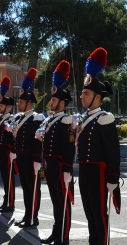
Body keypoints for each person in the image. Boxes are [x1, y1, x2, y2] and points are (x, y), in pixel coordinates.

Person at [76, 47, 120, 245]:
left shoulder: (105, 118)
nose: (81, 97)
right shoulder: (84, 119)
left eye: (85, 93)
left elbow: (113, 151)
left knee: (100, 216)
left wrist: (113, 177)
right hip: (85, 172)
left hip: (98, 174)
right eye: (82, 93)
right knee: (90, 217)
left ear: (98, 97)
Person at [35, 60, 75, 245]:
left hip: (60, 169)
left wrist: (67, 169)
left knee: (63, 204)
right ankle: (55, 232)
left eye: (53, 100)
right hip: (50, 168)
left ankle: (63, 236)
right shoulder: (51, 120)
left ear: (62, 102)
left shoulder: (66, 120)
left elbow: (69, 147)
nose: (51, 102)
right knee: (55, 203)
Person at [6, 68, 45, 227]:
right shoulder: (18, 118)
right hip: (21, 159)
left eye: (21, 102)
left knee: (33, 189)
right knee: (25, 188)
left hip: (31, 160)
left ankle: (33, 217)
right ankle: (27, 214)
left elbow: (38, 141)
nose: (18, 104)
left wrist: (37, 159)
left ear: (29, 103)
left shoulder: (37, 118)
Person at [0, 76, 16, 213]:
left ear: (8, 107)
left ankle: (10, 202)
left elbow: (13, 134)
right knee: (3, 177)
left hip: (8, 153)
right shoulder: (0, 119)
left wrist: (12, 151)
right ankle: (5, 200)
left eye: (1, 106)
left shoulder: (12, 118)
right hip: (0, 152)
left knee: (9, 178)